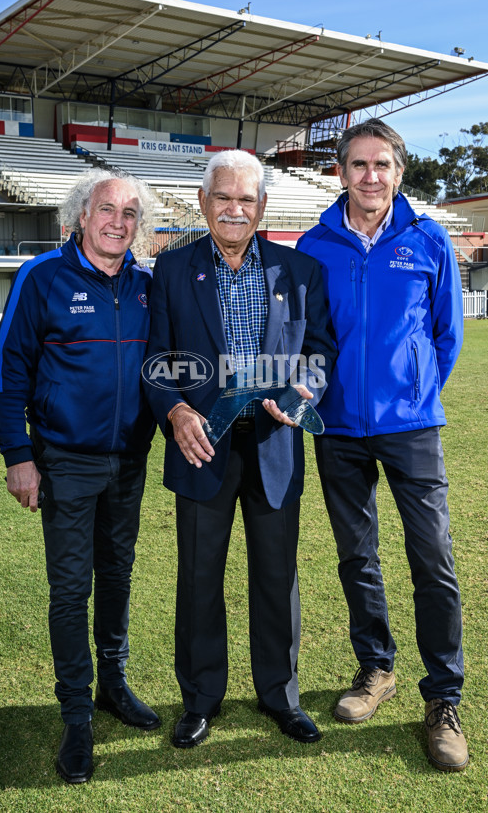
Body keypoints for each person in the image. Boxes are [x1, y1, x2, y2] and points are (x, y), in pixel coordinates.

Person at [144, 149, 335, 748]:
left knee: (277, 577)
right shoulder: (171, 271)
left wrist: (305, 385)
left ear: (263, 207)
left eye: (245, 199)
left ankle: (281, 695)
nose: (234, 209)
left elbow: (321, 350)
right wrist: (175, 411)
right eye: (222, 197)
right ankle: (201, 699)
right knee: (200, 577)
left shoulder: (300, 272)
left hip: (276, 443)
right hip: (202, 445)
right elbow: (154, 360)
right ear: (204, 202)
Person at [297, 119, 468, 772]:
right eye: (359, 164)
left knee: (433, 559)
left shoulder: (428, 240)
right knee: (356, 556)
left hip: (412, 427)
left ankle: (444, 698)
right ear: (340, 171)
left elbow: (446, 333)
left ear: (399, 172)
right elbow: (308, 335)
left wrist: (415, 392)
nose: (371, 175)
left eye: (383, 164)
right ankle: (376, 668)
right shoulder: (314, 246)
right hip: (337, 430)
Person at [0, 169, 160, 784]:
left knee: (117, 576)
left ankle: (112, 683)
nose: (118, 221)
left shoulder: (147, 285)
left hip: (129, 461)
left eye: (130, 213)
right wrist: (18, 455)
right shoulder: (42, 277)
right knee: (71, 591)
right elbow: (10, 372)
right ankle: (77, 715)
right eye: (106, 209)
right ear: (81, 216)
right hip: (63, 460)